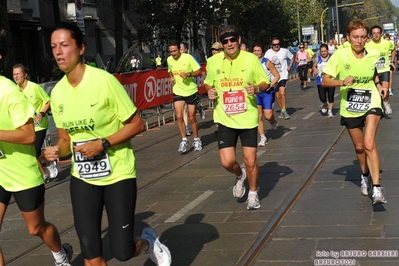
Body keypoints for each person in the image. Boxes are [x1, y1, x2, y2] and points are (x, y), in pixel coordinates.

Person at [45, 22, 172, 265]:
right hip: (82, 178)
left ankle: (147, 243)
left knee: (122, 251)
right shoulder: (58, 92)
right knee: (91, 253)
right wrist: (55, 152)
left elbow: (137, 124)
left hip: (118, 174)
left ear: (81, 48)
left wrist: (102, 143)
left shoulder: (104, 81)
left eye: (64, 45)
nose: (58, 52)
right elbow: (64, 140)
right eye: (53, 47)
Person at [0, 35, 72, 266]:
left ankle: (61, 256)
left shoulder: (9, 92)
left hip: (22, 173)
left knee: (35, 228)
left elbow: (29, 136)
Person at [204, 25, 270, 210]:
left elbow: (264, 82)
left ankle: (253, 193)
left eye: (232, 39)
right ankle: (240, 175)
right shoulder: (213, 61)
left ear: (238, 39)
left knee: (251, 160)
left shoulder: (250, 59)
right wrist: (209, 92)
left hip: (247, 118)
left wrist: (257, 88)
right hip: (225, 118)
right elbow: (208, 84)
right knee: (227, 162)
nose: (229, 44)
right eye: (225, 41)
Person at [322, 19, 387, 205]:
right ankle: (364, 174)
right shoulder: (340, 56)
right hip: (350, 106)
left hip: (371, 101)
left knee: (369, 143)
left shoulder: (373, 53)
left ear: (367, 38)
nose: (359, 41)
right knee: (359, 148)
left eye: (362, 37)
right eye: (355, 37)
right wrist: (341, 82)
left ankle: (377, 188)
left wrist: (381, 85)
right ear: (348, 38)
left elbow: (377, 72)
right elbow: (325, 80)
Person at [12, 64, 58, 182]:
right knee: (30, 153)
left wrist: (41, 113)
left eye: (18, 74)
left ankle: (46, 167)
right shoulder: (15, 90)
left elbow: (48, 101)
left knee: (35, 151)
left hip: (39, 125)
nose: (16, 76)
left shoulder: (34, 87)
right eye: (14, 74)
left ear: (25, 74)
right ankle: (45, 169)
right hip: (26, 126)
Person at [167, 39, 203, 153]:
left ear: (179, 49)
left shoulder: (188, 58)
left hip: (190, 91)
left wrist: (188, 74)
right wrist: (171, 77)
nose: (173, 54)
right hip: (177, 90)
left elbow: (199, 71)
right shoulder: (169, 59)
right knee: (179, 116)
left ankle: (196, 139)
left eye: (175, 51)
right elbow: (170, 71)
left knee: (192, 117)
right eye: (171, 52)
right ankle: (184, 139)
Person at [252, 42, 280, 147]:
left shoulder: (267, 62)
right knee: (258, 116)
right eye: (254, 51)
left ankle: (272, 121)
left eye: (258, 50)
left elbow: (277, 75)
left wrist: (270, 85)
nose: (256, 53)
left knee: (268, 115)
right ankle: (263, 137)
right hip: (256, 93)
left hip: (267, 92)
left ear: (262, 51)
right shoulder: (250, 63)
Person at [365, 25, 396, 115]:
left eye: (378, 33)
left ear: (381, 34)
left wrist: (392, 61)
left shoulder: (387, 43)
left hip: (385, 69)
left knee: (385, 89)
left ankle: (386, 103)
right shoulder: (368, 45)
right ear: (371, 35)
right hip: (374, 71)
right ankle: (380, 106)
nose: (376, 35)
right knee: (378, 91)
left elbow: (393, 49)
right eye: (374, 33)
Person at [264, 37, 294, 119]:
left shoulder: (284, 51)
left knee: (282, 93)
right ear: (271, 45)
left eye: (278, 44)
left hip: (283, 75)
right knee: (277, 96)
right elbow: (264, 62)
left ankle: (284, 111)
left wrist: (290, 66)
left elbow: (292, 57)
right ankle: (282, 110)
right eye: (274, 45)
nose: (276, 46)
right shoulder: (268, 53)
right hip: (274, 77)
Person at [313, 44, 335, 118]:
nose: (323, 53)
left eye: (325, 51)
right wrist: (314, 69)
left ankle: (330, 111)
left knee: (330, 96)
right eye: (322, 51)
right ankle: (325, 104)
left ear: (328, 51)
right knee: (322, 97)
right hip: (320, 81)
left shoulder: (332, 58)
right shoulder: (317, 59)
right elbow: (314, 66)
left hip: (330, 81)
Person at [210, 42, 223, 134]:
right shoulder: (210, 60)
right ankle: (219, 125)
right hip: (215, 87)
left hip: (225, 85)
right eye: (213, 49)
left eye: (217, 49)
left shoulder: (224, 58)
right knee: (217, 105)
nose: (214, 51)